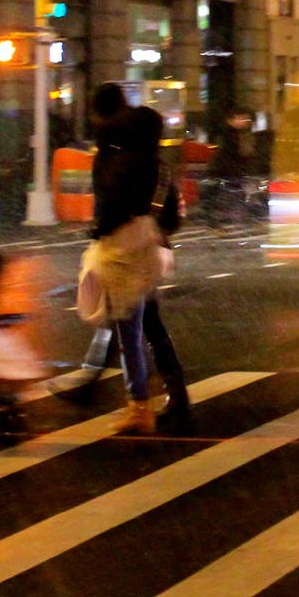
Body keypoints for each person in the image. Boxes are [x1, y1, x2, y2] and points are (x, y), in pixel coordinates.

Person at [79, 84, 190, 432]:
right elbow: (171, 212)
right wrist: (155, 230)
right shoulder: (158, 162)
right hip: (151, 247)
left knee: (129, 329)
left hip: (122, 247)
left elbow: (111, 204)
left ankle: (139, 407)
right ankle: (175, 394)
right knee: (147, 324)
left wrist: (100, 230)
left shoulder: (115, 157)